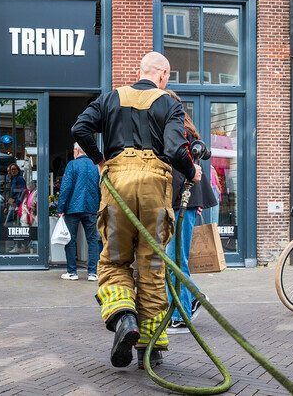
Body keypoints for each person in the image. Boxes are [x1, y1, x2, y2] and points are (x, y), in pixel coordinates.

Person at [72, 51, 201, 369]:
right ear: (163, 74)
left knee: (115, 260)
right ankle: (150, 348)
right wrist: (192, 169)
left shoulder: (111, 97)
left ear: (140, 70)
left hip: (117, 186)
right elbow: (174, 147)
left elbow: (79, 129)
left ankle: (125, 319)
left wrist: (100, 160)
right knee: (152, 265)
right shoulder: (169, 103)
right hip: (155, 187)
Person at [163, 90, 216, 335]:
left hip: (183, 200)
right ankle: (191, 299)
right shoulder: (182, 129)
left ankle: (181, 315)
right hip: (182, 200)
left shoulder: (177, 131)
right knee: (174, 257)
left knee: (175, 258)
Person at [57, 142, 100, 281]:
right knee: (92, 240)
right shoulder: (96, 166)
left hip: (72, 208)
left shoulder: (72, 165)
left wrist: (60, 208)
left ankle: (72, 272)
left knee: (71, 240)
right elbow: (101, 188)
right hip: (91, 208)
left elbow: (65, 188)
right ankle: (93, 273)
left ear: (76, 151)